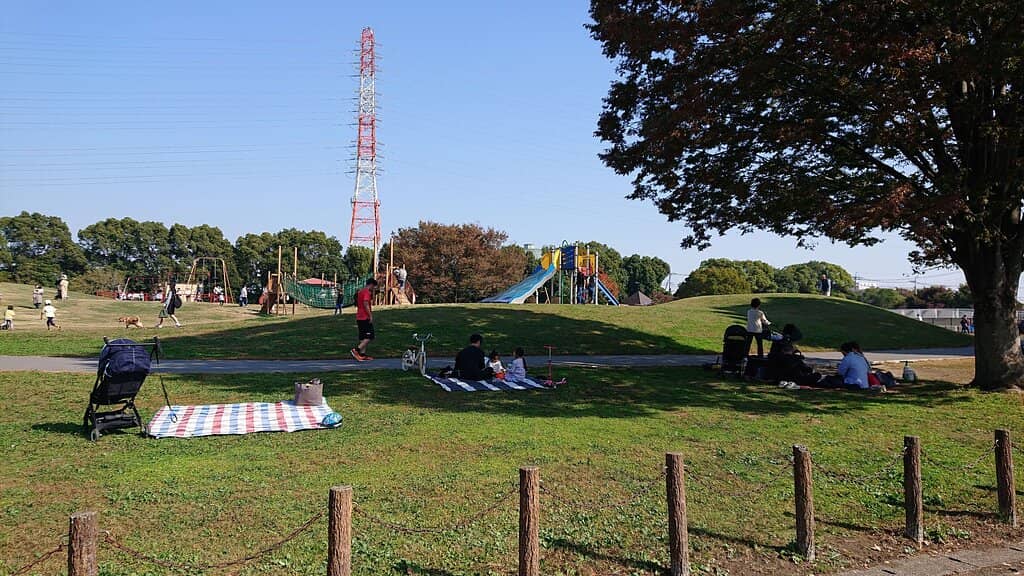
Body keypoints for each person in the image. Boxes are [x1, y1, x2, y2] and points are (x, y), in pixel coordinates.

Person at [351, 278, 378, 361]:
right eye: (373, 286)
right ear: (371, 284)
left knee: (363, 337)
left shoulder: (361, 292)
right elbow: (366, 303)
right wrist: (370, 315)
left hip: (359, 317)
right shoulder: (366, 292)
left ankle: (362, 354)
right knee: (370, 336)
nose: (373, 288)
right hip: (364, 317)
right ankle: (356, 350)